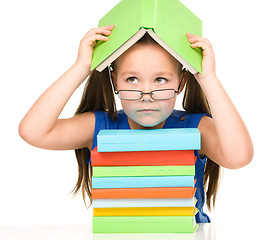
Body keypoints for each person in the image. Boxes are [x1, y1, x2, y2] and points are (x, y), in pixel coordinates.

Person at [19, 24, 254, 223]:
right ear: (114, 81)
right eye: (132, 79)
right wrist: (82, 67)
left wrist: (208, 78)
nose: (146, 93)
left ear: (182, 82)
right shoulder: (101, 126)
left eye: (160, 79)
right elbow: (34, 132)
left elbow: (238, 157)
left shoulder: (193, 127)